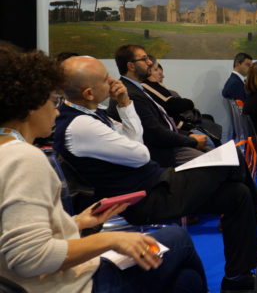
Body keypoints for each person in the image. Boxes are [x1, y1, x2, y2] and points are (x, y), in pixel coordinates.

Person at [0, 44, 207, 293]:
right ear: (29, 105)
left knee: (185, 281)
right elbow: (28, 258)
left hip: (49, 280)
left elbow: (17, 235)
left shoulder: (10, 153)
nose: (56, 109)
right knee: (179, 239)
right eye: (51, 100)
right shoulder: (23, 158)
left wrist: (76, 222)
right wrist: (109, 239)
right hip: (68, 285)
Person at [55, 55, 257, 293]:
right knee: (235, 160)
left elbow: (136, 140)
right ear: (88, 93)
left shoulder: (92, 114)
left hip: (155, 183)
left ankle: (237, 277)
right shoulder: (81, 126)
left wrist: (125, 103)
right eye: (105, 79)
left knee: (237, 194)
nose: (112, 81)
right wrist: (127, 112)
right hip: (142, 199)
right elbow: (142, 153)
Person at [108, 44, 206, 167]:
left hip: (168, 144)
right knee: (216, 164)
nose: (149, 62)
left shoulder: (137, 88)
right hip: (161, 153)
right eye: (144, 59)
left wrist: (188, 135)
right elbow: (155, 133)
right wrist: (192, 141)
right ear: (131, 66)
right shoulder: (130, 93)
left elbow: (163, 126)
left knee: (223, 157)